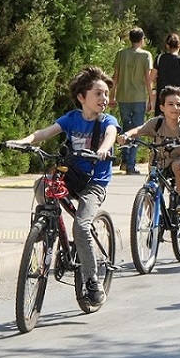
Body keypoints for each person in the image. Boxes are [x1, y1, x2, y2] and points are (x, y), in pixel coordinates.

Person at [8, 67, 119, 306]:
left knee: (81, 225)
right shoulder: (71, 118)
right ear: (82, 97)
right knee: (42, 185)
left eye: (106, 94)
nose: (104, 99)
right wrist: (24, 141)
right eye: (98, 94)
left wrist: (103, 149)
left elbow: (111, 134)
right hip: (71, 175)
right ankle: (47, 222)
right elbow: (44, 133)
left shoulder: (108, 121)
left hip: (94, 183)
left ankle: (92, 281)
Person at [122, 86, 180, 206]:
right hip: (159, 161)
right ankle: (152, 219)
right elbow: (139, 130)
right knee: (151, 191)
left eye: (178, 104)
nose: (175, 108)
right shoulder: (157, 123)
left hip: (179, 159)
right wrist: (126, 135)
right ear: (162, 107)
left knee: (178, 165)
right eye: (170, 104)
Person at [110, 28, 155, 175]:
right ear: (142, 39)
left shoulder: (121, 54)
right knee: (136, 131)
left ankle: (124, 160)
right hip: (138, 97)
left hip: (123, 96)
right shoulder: (146, 55)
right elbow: (148, 79)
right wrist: (151, 98)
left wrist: (111, 96)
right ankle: (130, 164)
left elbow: (115, 77)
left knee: (125, 128)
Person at [154, 32, 180, 110]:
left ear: (167, 45)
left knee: (162, 121)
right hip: (179, 99)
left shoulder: (159, 59)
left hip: (163, 99)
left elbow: (152, 77)